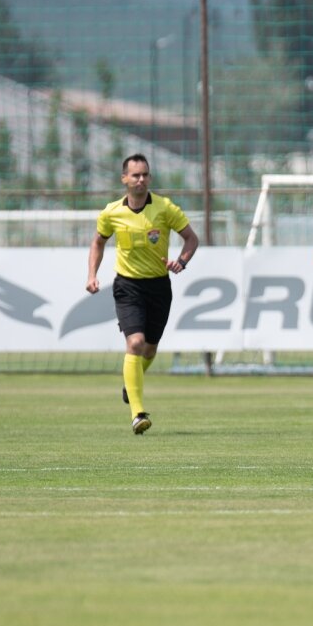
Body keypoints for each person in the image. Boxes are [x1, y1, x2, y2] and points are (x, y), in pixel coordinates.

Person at [86, 153, 199, 435]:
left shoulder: (165, 208)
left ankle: (130, 382)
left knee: (149, 348)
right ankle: (138, 413)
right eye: (135, 175)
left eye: (145, 174)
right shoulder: (112, 212)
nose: (141, 179)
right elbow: (98, 243)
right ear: (124, 178)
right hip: (128, 286)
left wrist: (181, 262)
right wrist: (92, 275)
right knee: (134, 343)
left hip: (159, 286)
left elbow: (191, 238)